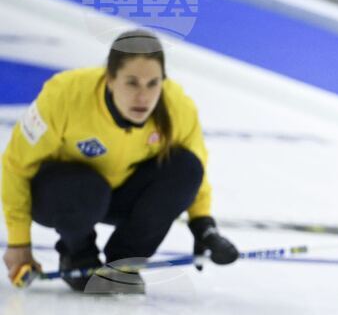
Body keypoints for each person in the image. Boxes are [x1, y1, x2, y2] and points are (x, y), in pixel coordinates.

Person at [2, 29, 238, 294]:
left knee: (186, 165)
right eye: (132, 83)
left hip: (118, 195)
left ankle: (124, 264)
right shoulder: (64, 95)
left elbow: (194, 173)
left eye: (153, 84)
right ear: (110, 79)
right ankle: (77, 254)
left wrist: (203, 227)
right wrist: (19, 242)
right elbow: (16, 165)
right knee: (88, 188)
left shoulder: (177, 107)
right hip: (60, 195)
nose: (143, 97)